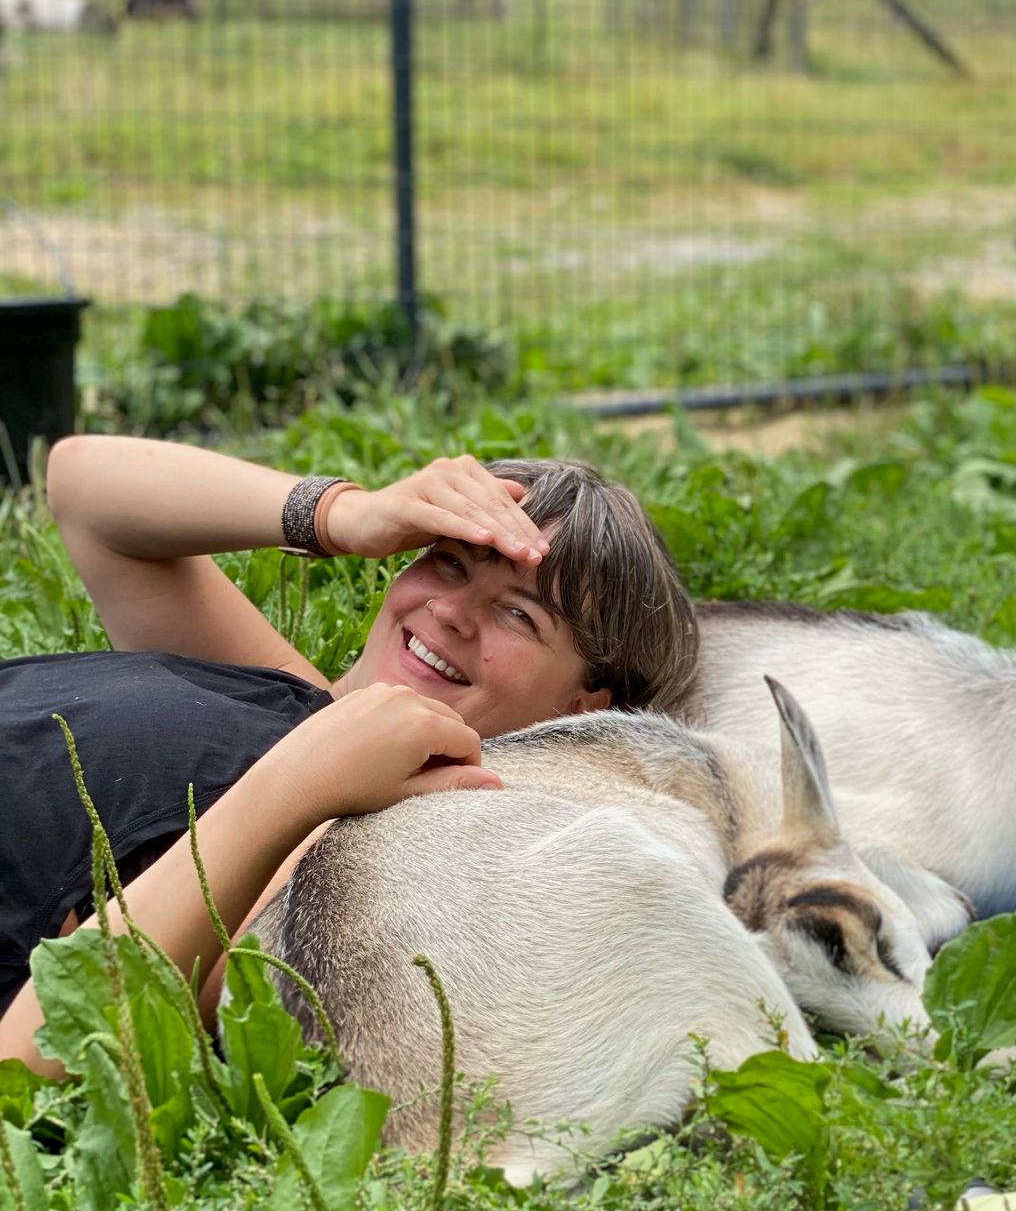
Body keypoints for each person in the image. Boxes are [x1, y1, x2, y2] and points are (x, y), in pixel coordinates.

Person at [0, 435, 698, 1075]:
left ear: (583, 711)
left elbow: (33, 1054)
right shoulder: (291, 697)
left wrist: (303, 786)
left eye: (519, 613)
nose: (453, 612)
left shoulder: (342, 863)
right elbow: (83, 487)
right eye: (450, 562)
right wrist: (344, 515)